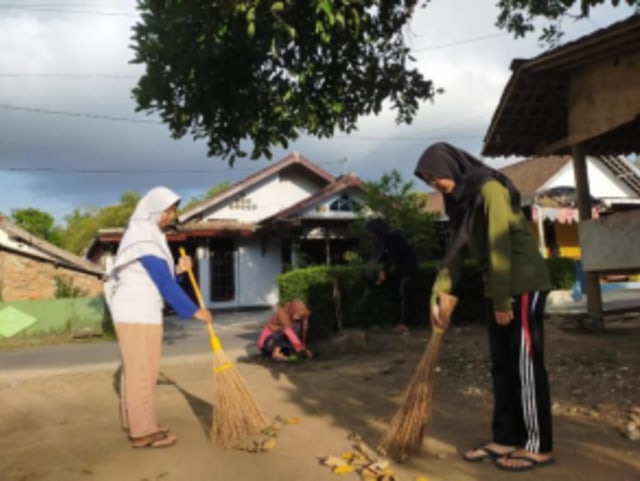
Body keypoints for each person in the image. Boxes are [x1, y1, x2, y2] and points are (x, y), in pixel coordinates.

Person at [415, 142, 554, 472]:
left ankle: (538, 445)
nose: (434, 186)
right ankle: (505, 437)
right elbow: (457, 251)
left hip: (522, 282)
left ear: (449, 168)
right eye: (428, 182)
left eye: (435, 178)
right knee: (501, 366)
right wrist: (439, 294)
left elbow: (500, 243)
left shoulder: (489, 188)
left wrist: (503, 298)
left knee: (525, 365)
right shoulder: (459, 202)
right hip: (500, 287)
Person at [104, 186, 213, 449]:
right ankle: (143, 432)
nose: (171, 216)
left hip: (142, 310)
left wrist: (178, 270)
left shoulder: (149, 235)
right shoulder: (142, 236)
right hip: (136, 312)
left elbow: (161, 279)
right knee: (143, 372)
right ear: (155, 209)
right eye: (169, 210)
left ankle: (137, 422)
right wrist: (193, 310)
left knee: (138, 371)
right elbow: (164, 284)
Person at [364, 217, 418, 333]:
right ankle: (399, 322)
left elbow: (394, 257)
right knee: (398, 293)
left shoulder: (392, 237)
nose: (370, 235)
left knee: (405, 293)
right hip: (401, 268)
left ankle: (404, 324)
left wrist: (384, 270)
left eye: (370, 231)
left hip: (408, 267)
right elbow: (386, 256)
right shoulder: (386, 238)